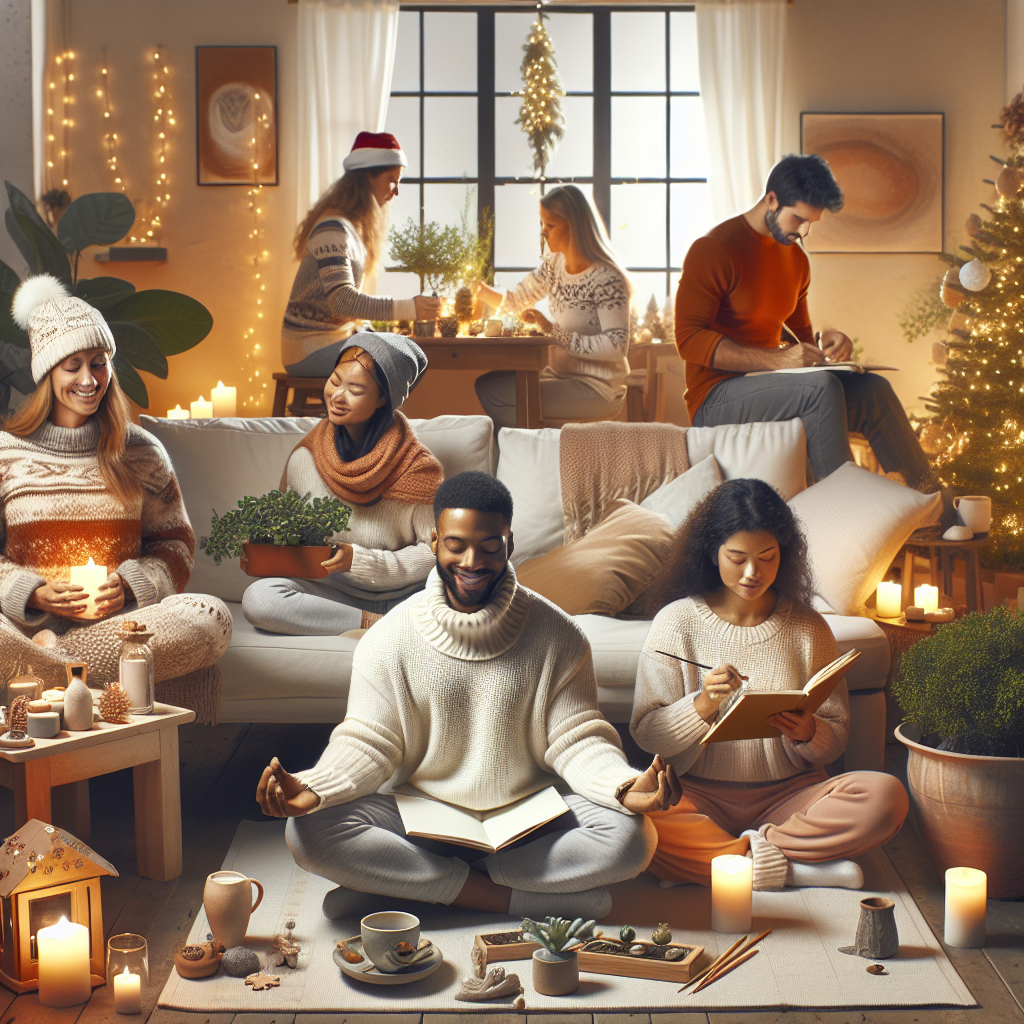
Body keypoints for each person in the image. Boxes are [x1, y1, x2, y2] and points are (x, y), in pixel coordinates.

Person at [257, 471, 681, 921]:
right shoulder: (389, 639)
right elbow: (368, 741)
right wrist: (315, 787)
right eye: (456, 545)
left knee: (633, 838)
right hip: (419, 815)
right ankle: (512, 901)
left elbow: (578, 741)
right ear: (436, 541)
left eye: (489, 546)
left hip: (529, 820)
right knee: (307, 831)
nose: (472, 561)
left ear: (509, 542)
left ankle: (407, 889)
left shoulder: (560, 636)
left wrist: (624, 785)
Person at [630, 478, 909, 891]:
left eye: (767, 557)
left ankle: (723, 861)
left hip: (791, 797)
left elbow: (837, 738)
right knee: (633, 825)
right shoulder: (676, 622)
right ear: (712, 552)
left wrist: (811, 732)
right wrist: (702, 706)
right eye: (737, 557)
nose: (752, 573)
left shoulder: (808, 628)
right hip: (697, 796)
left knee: (887, 797)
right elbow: (646, 733)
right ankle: (795, 869)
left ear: (785, 553)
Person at [0, 276, 231, 722]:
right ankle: (72, 675)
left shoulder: (140, 451)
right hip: (24, 626)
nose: (90, 379)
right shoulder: (6, 452)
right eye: (73, 365)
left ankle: (49, 670)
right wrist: (34, 593)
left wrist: (129, 584)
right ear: (48, 372)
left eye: (99, 363)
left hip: (118, 628)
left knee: (210, 616)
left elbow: (176, 546)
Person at [675, 153, 937, 491]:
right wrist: (778, 359)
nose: (803, 231)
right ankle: (843, 514)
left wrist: (827, 342)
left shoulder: (796, 260)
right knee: (820, 389)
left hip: (774, 386)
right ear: (772, 200)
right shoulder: (713, 249)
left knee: (874, 390)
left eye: (811, 222)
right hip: (714, 398)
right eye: (798, 219)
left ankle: (930, 509)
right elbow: (689, 339)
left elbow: (797, 342)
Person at [242, 332, 443, 635]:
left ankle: (393, 626)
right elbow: (297, 537)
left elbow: (434, 553)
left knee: (452, 604)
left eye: (355, 389)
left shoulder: (418, 470)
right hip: (334, 597)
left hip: (403, 595)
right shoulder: (307, 458)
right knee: (260, 598)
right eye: (335, 381)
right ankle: (376, 628)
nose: (337, 396)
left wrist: (359, 561)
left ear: (382, 398)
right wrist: (264, 550)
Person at [282, 131, 441, 376]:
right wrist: (411, 308)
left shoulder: (350, 229)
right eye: (391, 179)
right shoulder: (332, 228)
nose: (396, 191)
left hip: (330, 341)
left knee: (402, 354)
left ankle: (379, 416)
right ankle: (380, 417)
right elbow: (342, 301)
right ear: (368, 176)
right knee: (395, 364)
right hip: (308, 347)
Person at [474, 185, 632, 430]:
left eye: (550, 225)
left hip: (598, 387)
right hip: (560, 375)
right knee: (487, 384)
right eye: (542, 224)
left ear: (574, 226)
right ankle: (531, 448)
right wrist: (482, 292)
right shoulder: (554, 265)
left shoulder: (606, 277)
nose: (543, 233)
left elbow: (616, 346)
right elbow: (518, 299)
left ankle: (531, 450)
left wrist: (553, 331)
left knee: (495, 392)